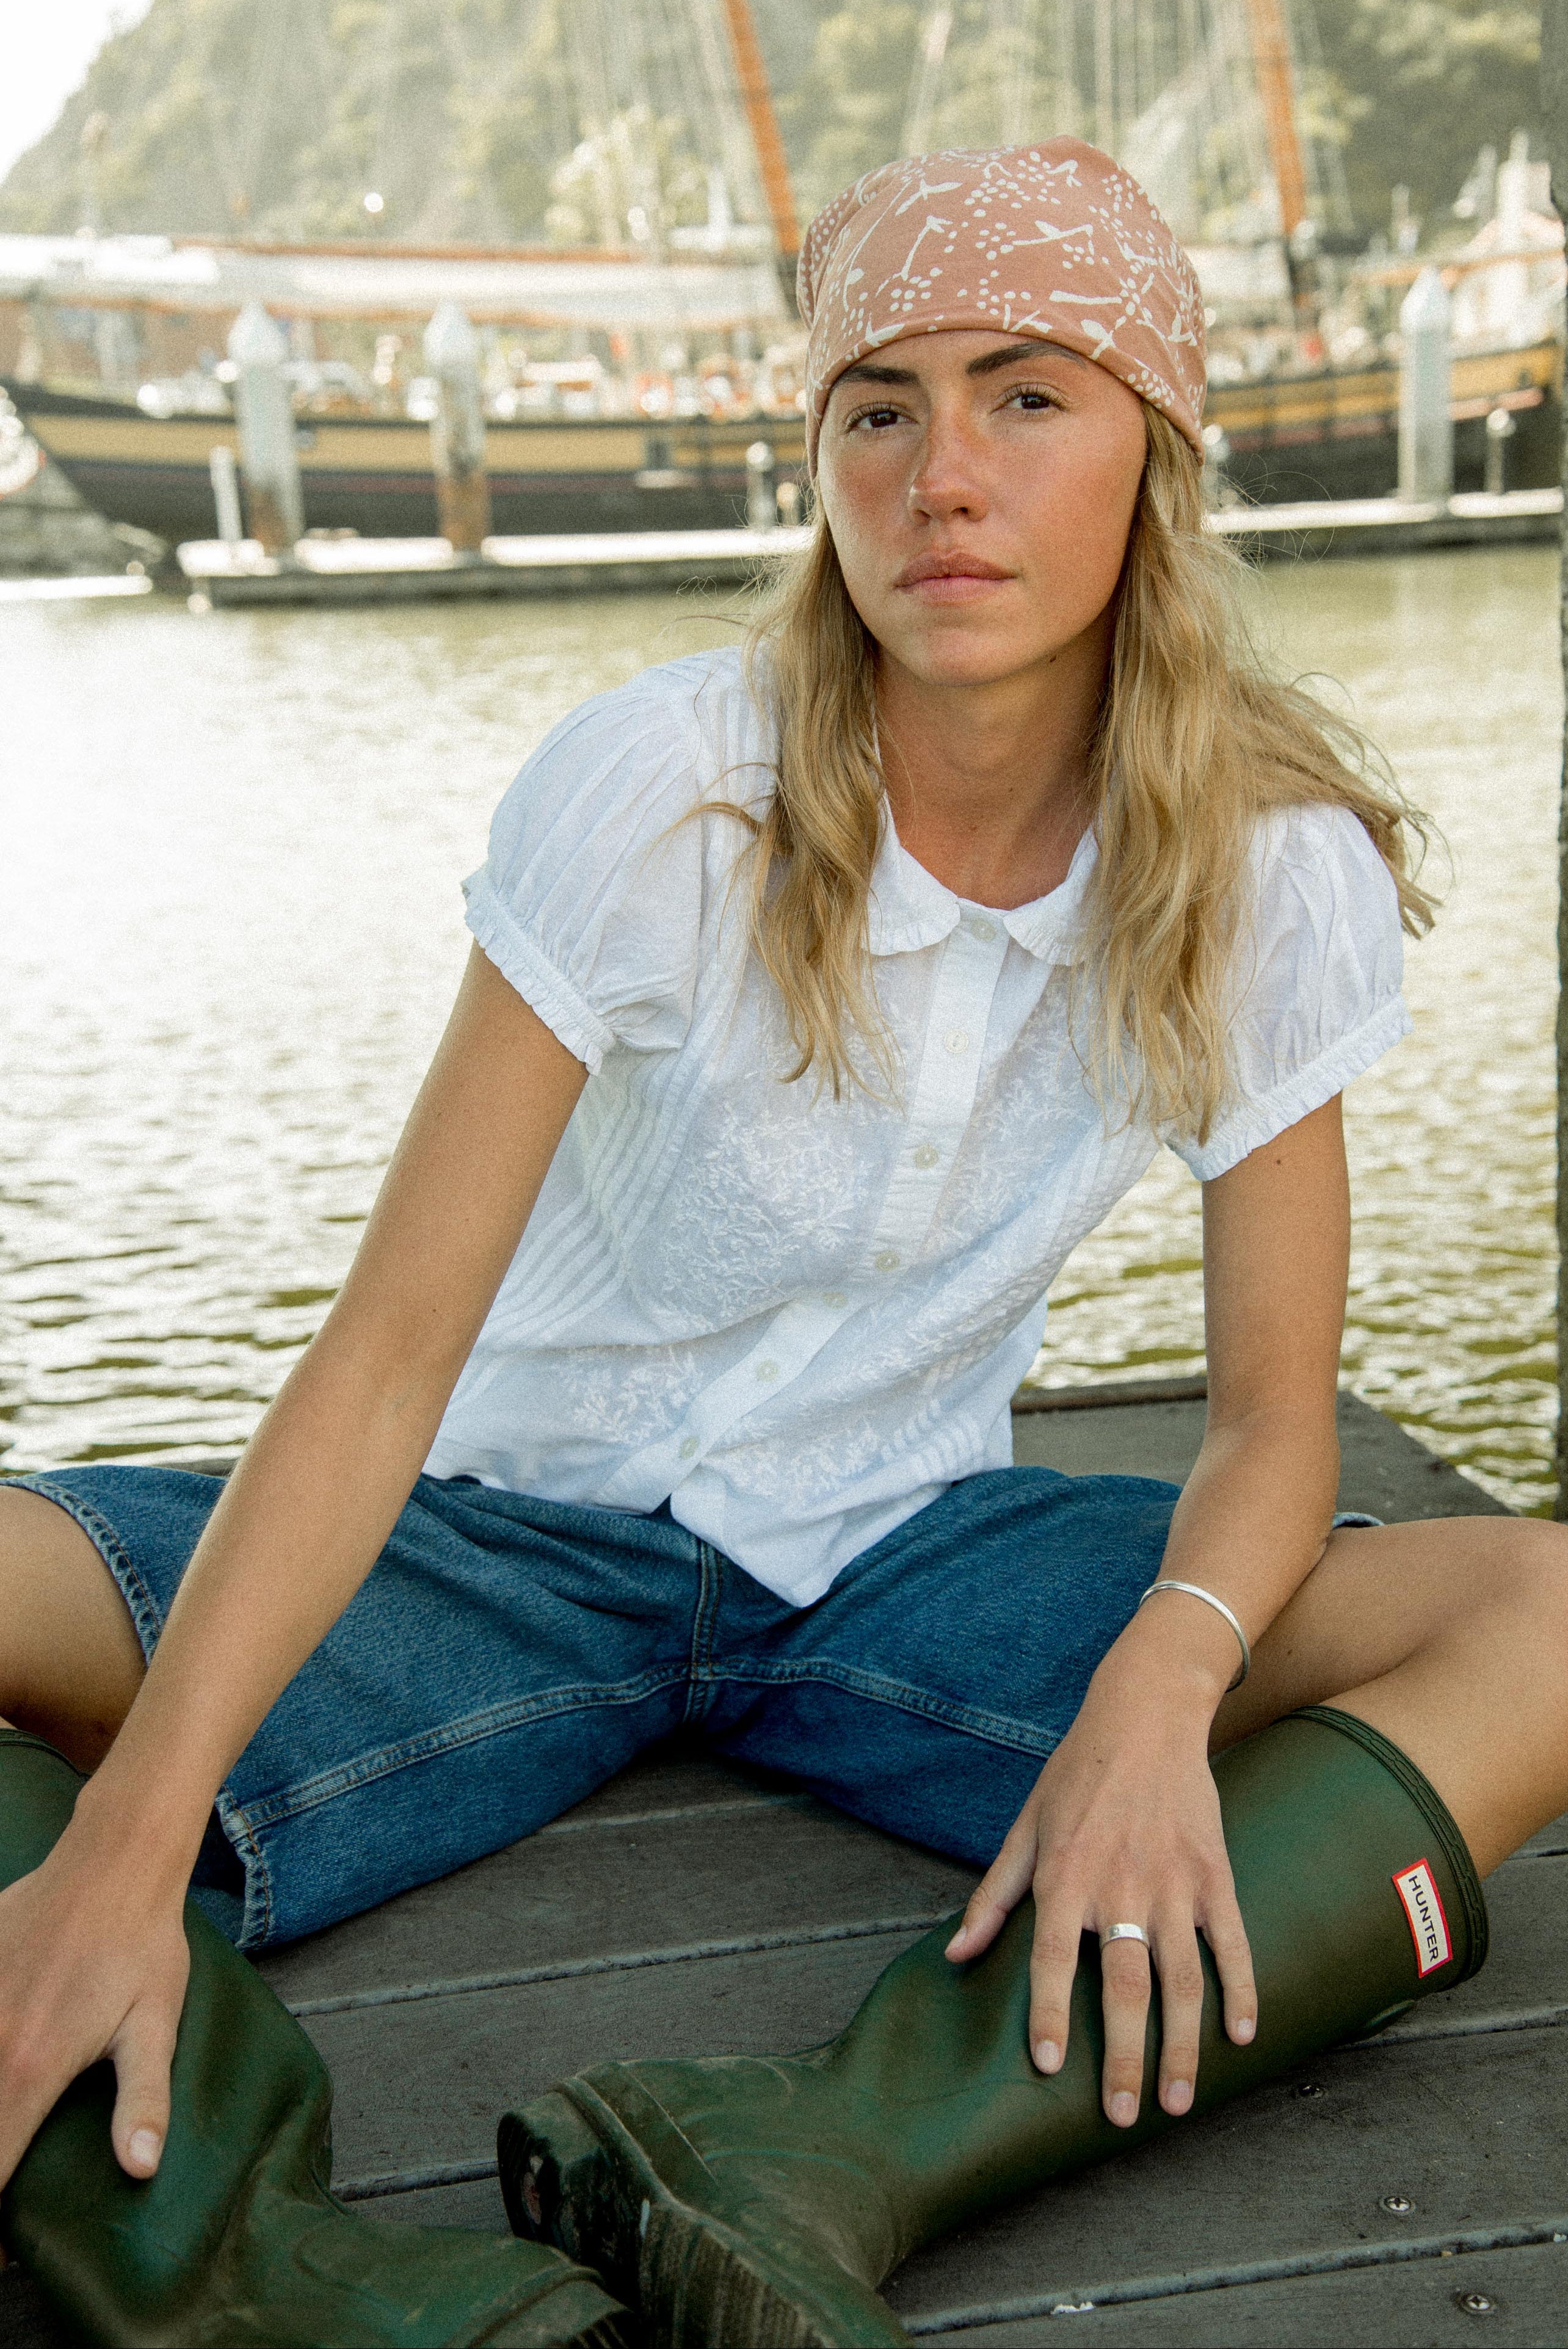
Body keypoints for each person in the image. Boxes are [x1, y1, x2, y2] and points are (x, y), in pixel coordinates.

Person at [2, 139, 1567, 2349]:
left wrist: (1160, 1687)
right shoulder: (664, 793)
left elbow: (1276, 1425)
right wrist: (124, 1844)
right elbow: (385, 1355)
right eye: (880, 406)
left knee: (1549, 1617)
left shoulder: (1265, 859)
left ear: (1158, 455)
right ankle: (259, 2262)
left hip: (899, 1559)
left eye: (1031, 395)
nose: (947, 474)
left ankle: (824, 2154)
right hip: (502, 1547)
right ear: (819, 462)